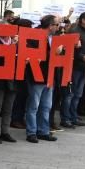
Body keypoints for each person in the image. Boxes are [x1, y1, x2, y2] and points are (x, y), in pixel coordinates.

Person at [24, 15, 59, 143]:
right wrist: (54, 52)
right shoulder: (35, 36)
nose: (58, 27)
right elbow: (34, 55)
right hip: (37, 76)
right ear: (50, 25)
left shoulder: (54, 38)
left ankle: (43, 131)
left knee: (46, 106)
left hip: (49, 76)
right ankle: (31, 132)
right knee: (34, 106)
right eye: (57, 24)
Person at [62, 11, 85, 128]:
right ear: (83, 20)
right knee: (70, 94)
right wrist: (82, 56)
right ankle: (66, 118)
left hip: (84, 68)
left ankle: (73, 116)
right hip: (74, 68)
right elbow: (68, 49)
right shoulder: (74, 31)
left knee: (78, 94)